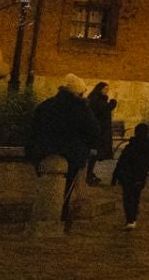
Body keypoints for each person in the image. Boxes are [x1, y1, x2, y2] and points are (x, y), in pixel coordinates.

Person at [26, 75, 98, 228]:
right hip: (71, 154)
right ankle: (60, 218)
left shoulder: (46, 105)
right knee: (65, 189)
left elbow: (33, 129)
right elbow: (94, 131)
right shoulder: (81, 108)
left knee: (45, 188)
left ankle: (44, 217)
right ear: (78, 93)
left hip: (44, 152)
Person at [112, 122, 149, 229]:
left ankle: (130, 219)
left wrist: (115, 176)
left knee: (128, 198)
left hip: (128, 176)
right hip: (140, 176)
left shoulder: (131, 146)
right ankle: (133, 217)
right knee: (135, 196)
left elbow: (122, 162)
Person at [85, 81, 116, 185]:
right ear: (100, 89)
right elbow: (104, 111)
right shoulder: (96, 100)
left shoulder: (98, 99)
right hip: (97, 132)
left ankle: (89, 173)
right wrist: (113, 103)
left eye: (108, 89)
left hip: (100, 131)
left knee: (95, 154)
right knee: (93, 154)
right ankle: (88, 174)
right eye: (105, 89)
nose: (107, 91)